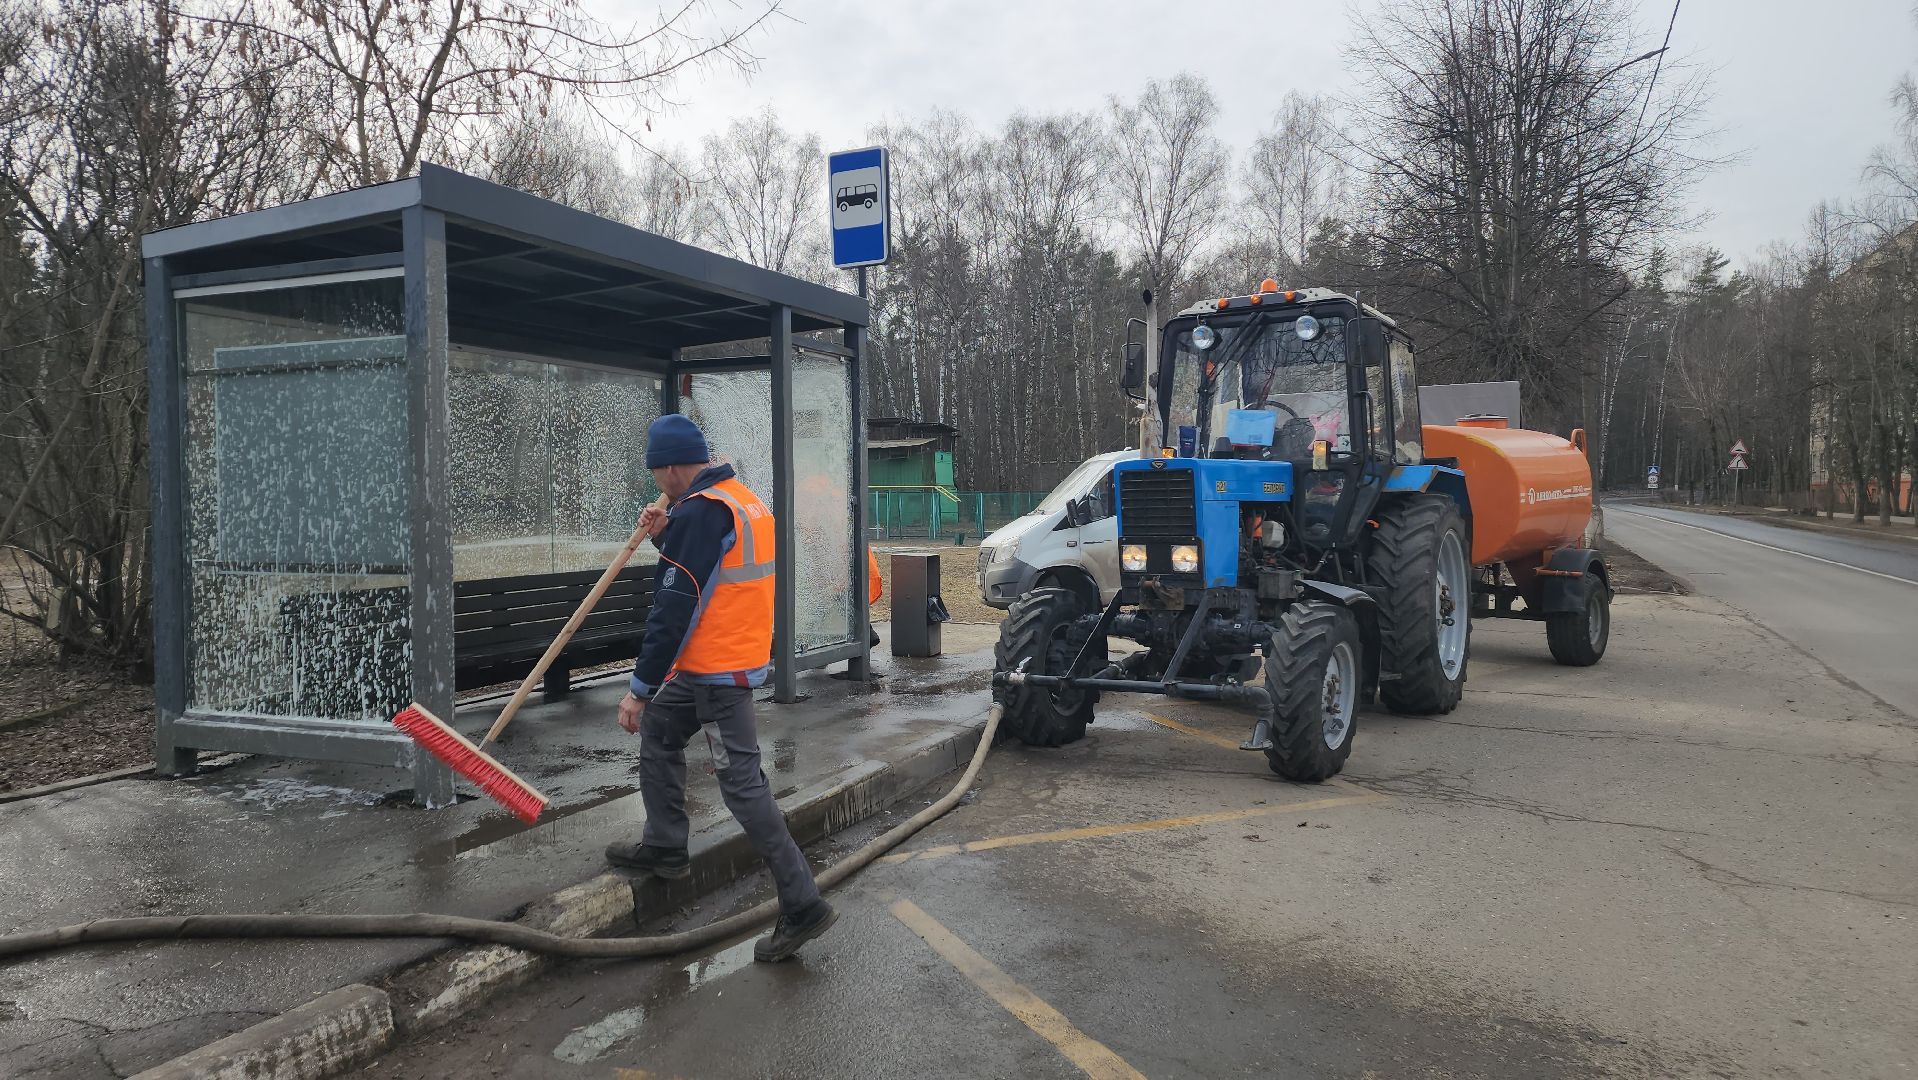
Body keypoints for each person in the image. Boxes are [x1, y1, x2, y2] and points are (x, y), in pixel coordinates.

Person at [605, 414, 837, 962]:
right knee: (662, 729)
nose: (658, 486)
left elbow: (672, 609)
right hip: (722, 662)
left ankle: (802, 904)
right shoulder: (737, 499)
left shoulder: (703, 514)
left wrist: (638, 689)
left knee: (742, 785)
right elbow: (717, 563)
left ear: (670, 466)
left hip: (719, 675)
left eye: (657, 474)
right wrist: (669, 529)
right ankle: (665, 845)